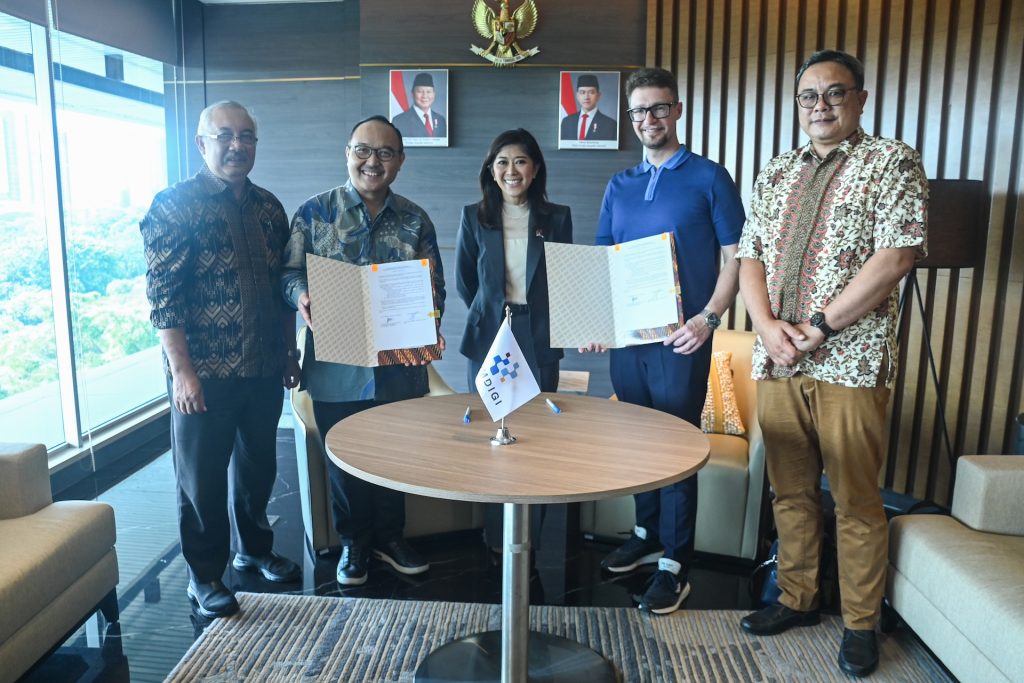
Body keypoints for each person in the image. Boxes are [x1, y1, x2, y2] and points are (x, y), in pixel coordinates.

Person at [736, 50, 927, 678]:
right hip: (778, 359)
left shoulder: (892, 162)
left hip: (852, 360)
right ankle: (796, 598)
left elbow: (896, 257)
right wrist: (765, 327)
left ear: (861, 99)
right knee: (789, 492)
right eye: (808, 96)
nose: (820, 106)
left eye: (835, 93)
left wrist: (818, 328)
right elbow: (750, 255)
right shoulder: (777, 170)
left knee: (854, 498)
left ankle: (860, 623)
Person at [581, 67, 745, 615]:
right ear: (630, 118)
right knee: (636, 441)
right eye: (638, 111)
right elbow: (604, 261)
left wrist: (708, 318)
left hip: (682, 341)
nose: (648, 119)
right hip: (629, 343)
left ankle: (676, 563)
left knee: (675, 448)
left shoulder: (710, 177)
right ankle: (646, 534)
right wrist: (596, 322)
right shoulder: (619, 184)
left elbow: (736, 257)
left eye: (658, 108)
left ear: (676, 111)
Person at [141, 101, 302, 620]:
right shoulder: (174, 205)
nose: (237, 146)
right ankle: (204, 575)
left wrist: (290, 350)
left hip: (263, 366)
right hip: (204, 375)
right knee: (201, 480)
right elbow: (163, 299)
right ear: (201, 144)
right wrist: (182, 373)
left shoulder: (268, 207)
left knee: (259, 469)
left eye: (247, 136)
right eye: (225, 136)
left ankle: (254, 550)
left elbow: (282, 288)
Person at [281, 115, 446, 587]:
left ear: (400, 161)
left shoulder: (416, 219)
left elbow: (433, 286)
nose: (373, 161)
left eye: (385, 153)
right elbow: (288, 274)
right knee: (345, 459)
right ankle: (354, 542)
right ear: (348, 153)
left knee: (394, 454)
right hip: (336, 362)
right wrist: (301, 296)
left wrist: (429, 323)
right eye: (363, 150)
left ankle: (391, 538)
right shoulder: (314, 213)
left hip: (398, 364)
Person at [455, 128, 573, 554]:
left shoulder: (557, 217)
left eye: (520, 161)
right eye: (502, 162)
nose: (511, 170)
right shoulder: (474, 216)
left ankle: (530, 540)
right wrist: (493, 311)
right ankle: (494, 539)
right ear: (491, 170)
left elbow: (564, 275)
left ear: (535, 168)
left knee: (536, 432)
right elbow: (465, 280)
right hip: (492, 333)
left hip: (537, 333)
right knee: (493, 433)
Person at [560, 74, 617, 141]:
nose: (586, 97)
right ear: (577, 96)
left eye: (591, 92)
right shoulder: (566, 122)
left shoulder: (610, 125)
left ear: (598, 96)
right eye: (582, 92)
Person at [392, 72, 447, 139]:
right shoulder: (399, 121)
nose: (425, 96)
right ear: (412, 93)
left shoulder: (441, 120)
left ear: (434, 94)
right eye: (420, 91)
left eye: (429, 92)